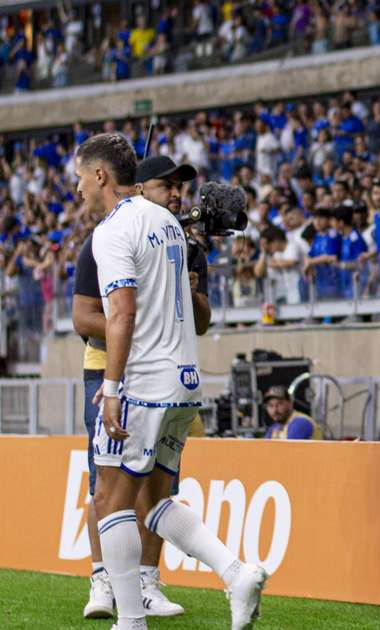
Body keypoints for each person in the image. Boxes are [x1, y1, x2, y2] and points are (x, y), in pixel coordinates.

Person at [79, 133, 266, 630]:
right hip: (185, 380)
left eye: (80, 177)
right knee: (155, 501)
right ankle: (236, 571)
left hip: (143, 381)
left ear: (100, 175)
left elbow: (121, 313)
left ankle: (131, 622)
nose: (77, 188)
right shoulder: (169, 224)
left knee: (109, 499)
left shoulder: (113, 229)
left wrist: (113, 386)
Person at [73, 153, 211, 620]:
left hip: (156, 376)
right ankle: (103, 579)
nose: (175, 194)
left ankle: (145, 585)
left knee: (154, 489)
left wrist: (185, 292)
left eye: (179, 187)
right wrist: (126, 338)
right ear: (139, 187)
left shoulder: (184, 244)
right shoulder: (104, 236)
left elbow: (202, 321)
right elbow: (85, 315)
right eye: (165, 185)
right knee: (106, 486)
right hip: (111, 374)